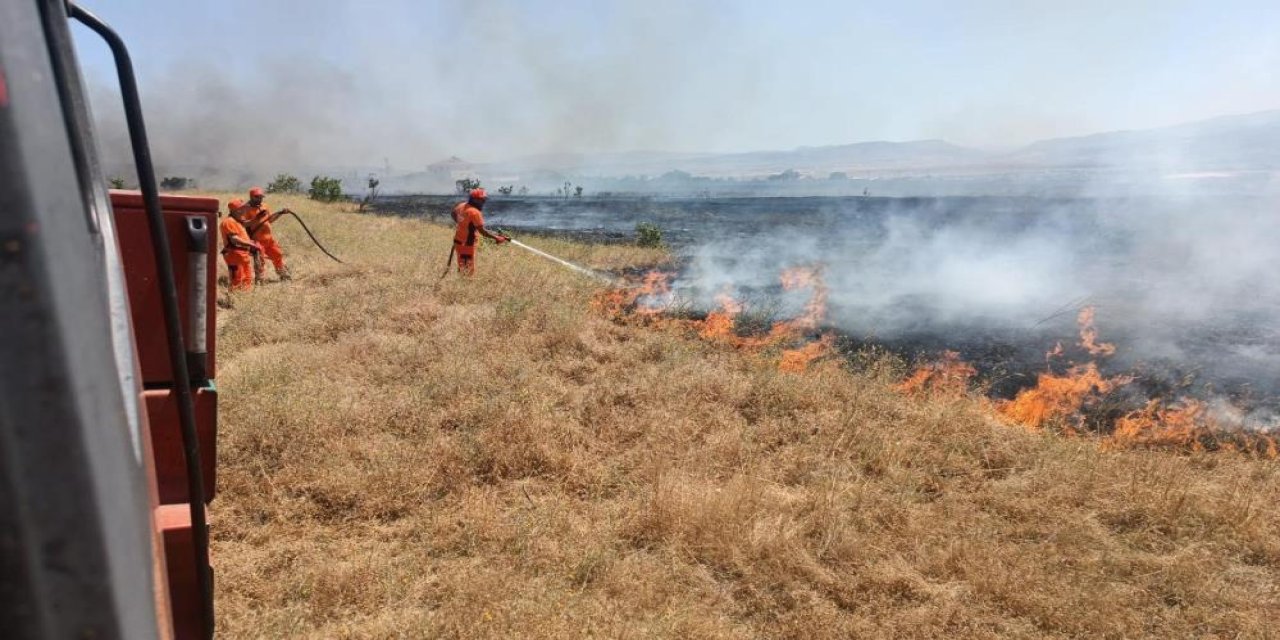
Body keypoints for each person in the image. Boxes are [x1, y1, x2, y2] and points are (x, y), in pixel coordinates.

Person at [450, 188, 509, 275]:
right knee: (467, 271)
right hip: (467, 245)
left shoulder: (462, 205)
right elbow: (482, 232)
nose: (483, 202)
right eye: (482, 200)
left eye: (484, 200)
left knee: (463, 266)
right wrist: (496, 238)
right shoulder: (475, 213)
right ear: (475, 200)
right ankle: (464, 286)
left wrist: (460, 223)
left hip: (458, 241)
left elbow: (453, 213)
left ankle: (461, 283)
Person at [242, 186, 291, 282]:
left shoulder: (264, 206)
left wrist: (280, 213)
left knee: (278, 255)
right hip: (257, 241)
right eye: (257, 197)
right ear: (251, 197)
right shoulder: (245, 209)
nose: (260, 199)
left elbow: (270, 220)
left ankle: (283, 274)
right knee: (260, 261)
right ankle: (260, 280)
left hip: (269, 239)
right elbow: (242, 224)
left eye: (261, 197)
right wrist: (256, 218)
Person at [219, 199, 260, 292]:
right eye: (243, 209)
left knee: (247, 278)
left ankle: (244, 298)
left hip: (242, 254)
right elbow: (234, 239)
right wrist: (251, 244)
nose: (245, 211)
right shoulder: (228, 222)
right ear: (236, 210)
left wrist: (257, 218)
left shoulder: (237, 221)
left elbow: (247, 224)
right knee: (237, 279)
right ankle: (233, 301)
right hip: (234, 254)